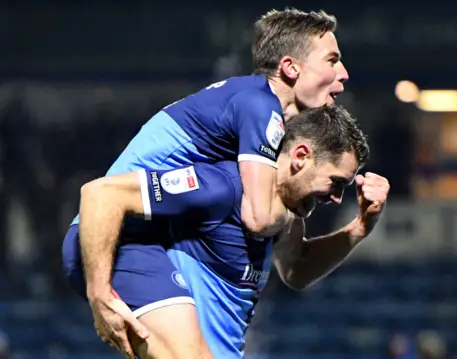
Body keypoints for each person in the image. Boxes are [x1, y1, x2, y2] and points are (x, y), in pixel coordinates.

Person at [70, 8, 349, 358]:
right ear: (291, 68)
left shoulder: (259, 114)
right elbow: (259, 218)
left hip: (148, 237)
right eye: (332, 60)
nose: (344, 73)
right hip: (116, 236)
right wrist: (100, 293)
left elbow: (293, 265)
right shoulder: (259, 106)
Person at [63, 105, 390, 358]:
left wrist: (361, 227)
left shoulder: (284, 217)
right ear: (301, 157)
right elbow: (100, 194)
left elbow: (297, 269)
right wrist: (99, 295)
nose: (337, 198)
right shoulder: (223, 187)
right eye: (336, 183)